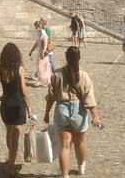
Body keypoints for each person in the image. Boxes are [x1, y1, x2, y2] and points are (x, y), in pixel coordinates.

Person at [43, 46, 101, 178]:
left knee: (64, 145)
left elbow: (51, 96)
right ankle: (81, 167)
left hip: (61, 109)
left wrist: (46, 113)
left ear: (66, 57)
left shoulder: (57, 74)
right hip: (78, 111)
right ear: (79, 58)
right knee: (79, 142)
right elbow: (90, 98)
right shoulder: (84, 75)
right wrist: (95, 116)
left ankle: (65, 175)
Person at [0, 42, 31, 176]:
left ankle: (10, 159)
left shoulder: (1, 68)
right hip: (17, 105)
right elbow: (24, 91)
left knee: (9, 133)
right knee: (15, 136)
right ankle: (10, 167)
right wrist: (29, 107)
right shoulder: (20, 69)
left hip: (5, 104)